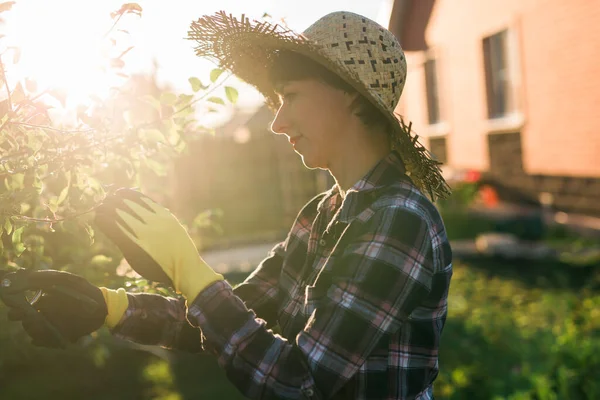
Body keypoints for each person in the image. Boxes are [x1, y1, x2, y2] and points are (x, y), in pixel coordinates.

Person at [6, 10, 453, 399]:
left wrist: (188, 267)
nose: (277, 122)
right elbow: (230, 322)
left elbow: (296, 384)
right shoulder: (322, 214)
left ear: (351, 94)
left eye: (290, 96)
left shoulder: (400, 220)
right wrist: (108, 306)